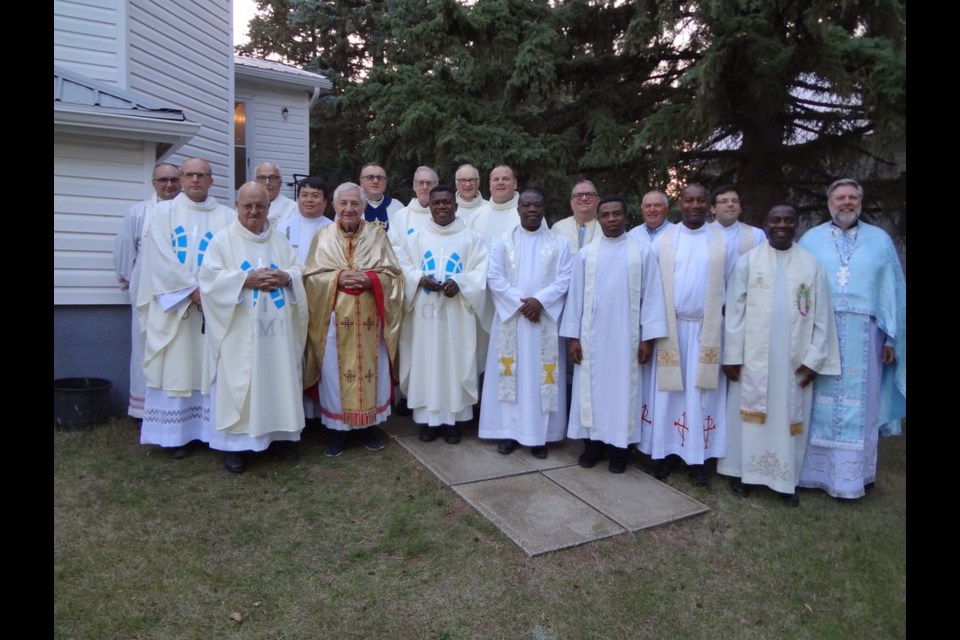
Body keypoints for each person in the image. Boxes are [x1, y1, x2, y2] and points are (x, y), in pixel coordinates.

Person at [718, 203, 840, 505]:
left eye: (788, 220)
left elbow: (823, 316)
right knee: (748, 417)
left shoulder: (811, 265)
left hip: (793, 360)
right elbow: (734, 312)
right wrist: (732, 355)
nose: (782, 225)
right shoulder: (748, 262)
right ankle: (745, 474)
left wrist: (814, 359)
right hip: (753, 358)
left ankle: (785, 481)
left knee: (787, 417)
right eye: (776, 220)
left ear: (796, 224)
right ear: (765, 224)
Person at [797, 178, 906, 500]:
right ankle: (812, 473)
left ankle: (856, 476)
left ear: (860, 202)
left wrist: (890, 341)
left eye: (852, 197)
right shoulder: (811, 239)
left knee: (864, 404)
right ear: (829, 202)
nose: (846, 202)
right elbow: (799, 286)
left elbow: (893, 291)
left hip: (866, 335)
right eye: (841, 197)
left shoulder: (880, 240)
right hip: (821, 330)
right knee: (817, 401)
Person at [198, 182, 309, 473]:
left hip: (278, 332)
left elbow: (298, 271)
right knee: (241, 384)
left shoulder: (280, 241)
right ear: (237, 206)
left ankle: (280, 437)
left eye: (260, 206)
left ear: (269, 208)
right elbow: (208, 281)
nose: (253, 211)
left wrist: (286, 277)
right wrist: (244, 280)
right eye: (247, 206)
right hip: (239, 333)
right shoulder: (222, 241)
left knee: (278, 379)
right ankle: (234, 446)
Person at [136, 158, 235, 458]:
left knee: (209, 367)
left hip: (212, 309)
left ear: (211, 180)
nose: (195, 180)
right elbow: (159, 257)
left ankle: (208, 432)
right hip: (175, 307)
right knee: (177, 366)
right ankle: (176, 436)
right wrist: (191, 290)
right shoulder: (162, 212)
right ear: (181, 178)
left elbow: (232, 255)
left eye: (201, 175)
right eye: (189, 175)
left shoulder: (227, 216)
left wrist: (211, 292)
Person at [561, 196, 667, 472]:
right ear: (599, 218)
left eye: (616, 214)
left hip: (627, 339)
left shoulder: (642, 252)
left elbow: (653, 297)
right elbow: (574, 300)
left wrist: (647, 338)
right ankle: (592, 446)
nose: (611, 219)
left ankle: (620, 449)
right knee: (591, 390)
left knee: (622, 392)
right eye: (605, 215)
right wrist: (573, 338)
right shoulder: (587, 254)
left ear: (625, 216)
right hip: (591, 338)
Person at [640, 184, 732, 486]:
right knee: (667, 394)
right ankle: (663, 454)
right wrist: (650, 331)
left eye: (700, 200)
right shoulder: (664, 240)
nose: (695, 205)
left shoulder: (721, 241)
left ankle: (698, 460)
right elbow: (651, 289)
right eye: (689, 200)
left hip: (706, 329)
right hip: (670, 328)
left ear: (709, 205)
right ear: (680, 203)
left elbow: (730, 288)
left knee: (701, 394)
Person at [303, 182, 404, 457]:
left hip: (372, 320)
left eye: (355, 204)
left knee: (373, 370)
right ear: (334, 206)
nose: (349, 208)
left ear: (362, 207)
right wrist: (337, 277)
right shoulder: (322, 236)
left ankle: (368, 428)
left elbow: (394, 275)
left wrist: (371, 278)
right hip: (334, 320)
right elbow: (310, 278)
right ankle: (337, 431)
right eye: (343, 203)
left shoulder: (377, 235)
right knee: (335, 374)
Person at [480, 189, 573, 458]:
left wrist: (540, 302)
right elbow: (494, 278)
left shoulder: (559, 243)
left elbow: (565, 279)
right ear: (518, 209)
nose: (532, 210)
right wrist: (521, 304)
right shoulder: (502, 242)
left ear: (544, 209)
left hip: (543, 322)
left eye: (537, 205)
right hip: (511, 321)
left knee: (541, 377)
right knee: (510, 376)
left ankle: (540, 437)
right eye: (527, 205)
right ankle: (508, 434)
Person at [398, 186, 488, 443]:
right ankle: (427, 421)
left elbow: (481, 271)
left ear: (456, 206)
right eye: (436, 203)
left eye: (447, 202)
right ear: (430, 206)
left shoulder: (471, 238)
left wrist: (460, 283)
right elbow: (403, 268)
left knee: (455, 362)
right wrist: (418, 279)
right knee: (426, 363)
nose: (441, 207)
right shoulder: (415, 238)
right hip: (423, 318)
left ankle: (453, 423)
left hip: (457, 314)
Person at [114, 162, 181, 419]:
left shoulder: (188, 213)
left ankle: (176, 412)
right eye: (163, 180)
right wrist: (137, 286)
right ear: (154, 183)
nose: (169, 185)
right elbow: (124, 254)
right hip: (149, 297)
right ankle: (143, 412)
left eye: (174, 179)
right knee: (146, 351)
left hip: (184, 297)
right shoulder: (138, 213)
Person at [709, 184, 766, 281]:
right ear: (713, 209)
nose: (730, 204)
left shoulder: (756, 234)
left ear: (740, 208)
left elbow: (763, 268)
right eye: (724, 201)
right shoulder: (703, 235)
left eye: (735, 201)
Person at [276, 177, 332, 263]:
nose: (309, 200)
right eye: (304, 195)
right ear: (298, 199)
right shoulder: (284, 228)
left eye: (315, 196)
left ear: (325, 202)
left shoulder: (333, 229)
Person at [387, 166, 440, 253]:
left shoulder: (444, 215)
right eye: (421, 183)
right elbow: (391, 246)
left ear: (436, 186)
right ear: (414, 186)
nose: (425, 187)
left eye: (429, 183)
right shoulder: (400, 216)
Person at [466, 164, 522, 244]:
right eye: (496, 179)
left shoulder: (529, 215)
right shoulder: (476, 216)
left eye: (505, 179)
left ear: (515, 184)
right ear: (490, 185)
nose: (500, 182)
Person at [552, 180, 600, 254]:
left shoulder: (606, 227)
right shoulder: (558, 228)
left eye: (589, 194)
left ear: (598, 200)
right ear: (571, 202)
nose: (584, 198)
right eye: (579, 195)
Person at [359, 162, 403, 230]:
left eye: (379, 178)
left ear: (385, 182)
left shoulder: (397, 207)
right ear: (361, 182)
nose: (375, 181)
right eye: (370, 177)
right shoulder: (351, 207)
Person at [254, 162, 298, 226]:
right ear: (255, 182)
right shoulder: (246, 206)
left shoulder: (292, 208)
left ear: (280, 182)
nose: (267, 183)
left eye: (272, 177)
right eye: (262, 178)